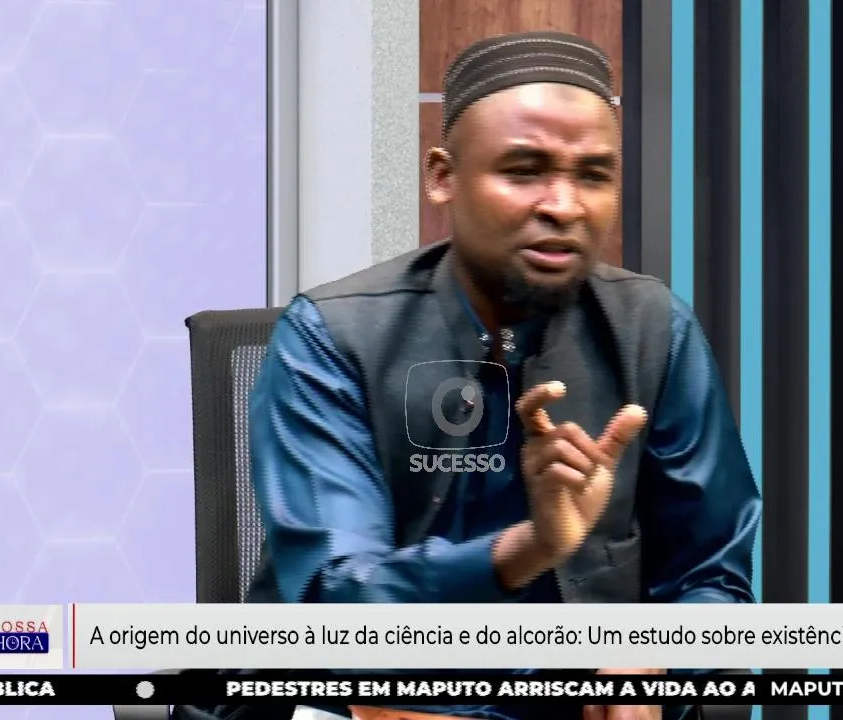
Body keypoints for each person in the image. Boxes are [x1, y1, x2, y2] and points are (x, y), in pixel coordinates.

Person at [247, 31, 761, 720]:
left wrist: (654, 655)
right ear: (442, 176)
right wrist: (529, 548)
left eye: (593, 175)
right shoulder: (330, 338)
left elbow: (713, 576)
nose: (564, 206)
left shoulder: (652, 330)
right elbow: (337, 606)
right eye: (524, 170)